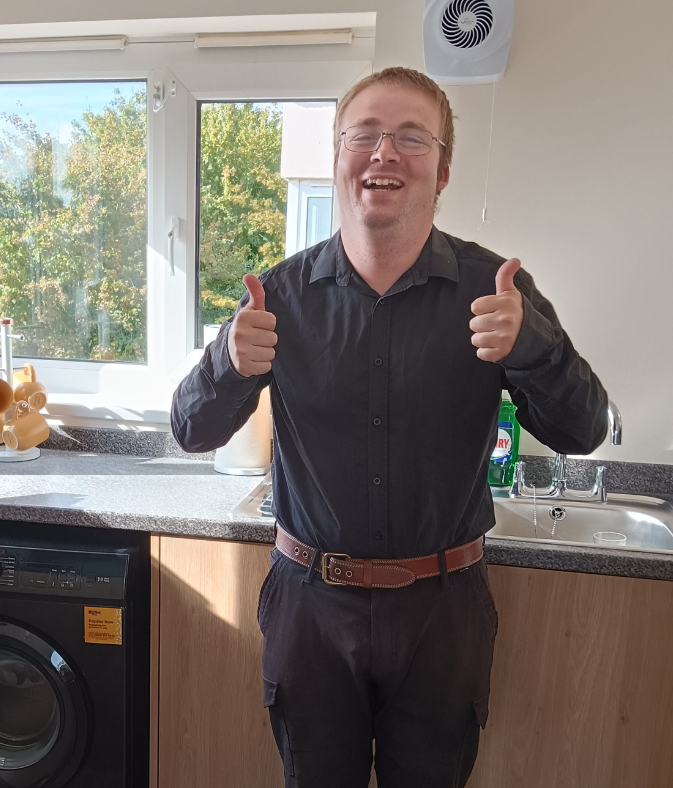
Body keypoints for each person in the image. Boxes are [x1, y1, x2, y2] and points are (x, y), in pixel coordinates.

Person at [171, 67, 608, 787]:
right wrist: (226, 359)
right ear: (338, 157)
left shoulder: (497, 293)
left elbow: (581, 430)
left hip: (445, 614)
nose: (385, 153)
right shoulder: (275, 296)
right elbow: (190, 431)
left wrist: (534, 348)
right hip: (309, 608)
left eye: (411, 138)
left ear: (442, 172)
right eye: (364, 135)